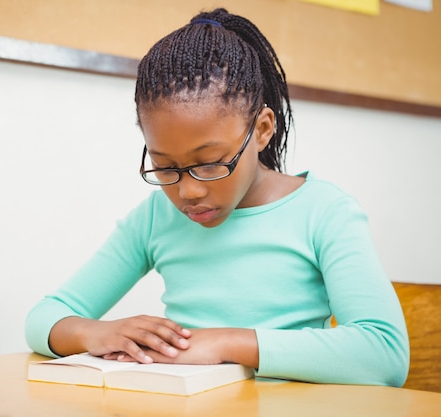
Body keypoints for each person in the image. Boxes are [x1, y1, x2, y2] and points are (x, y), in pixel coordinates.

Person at [25, 8, 409, 386]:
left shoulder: (324, 212)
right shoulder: (157, 217)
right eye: (165, 167)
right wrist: (97, 333)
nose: (188, 191)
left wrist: (227, 342)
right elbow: (45, 317)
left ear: (261, 129)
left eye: (210, 164)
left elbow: (384, 353)